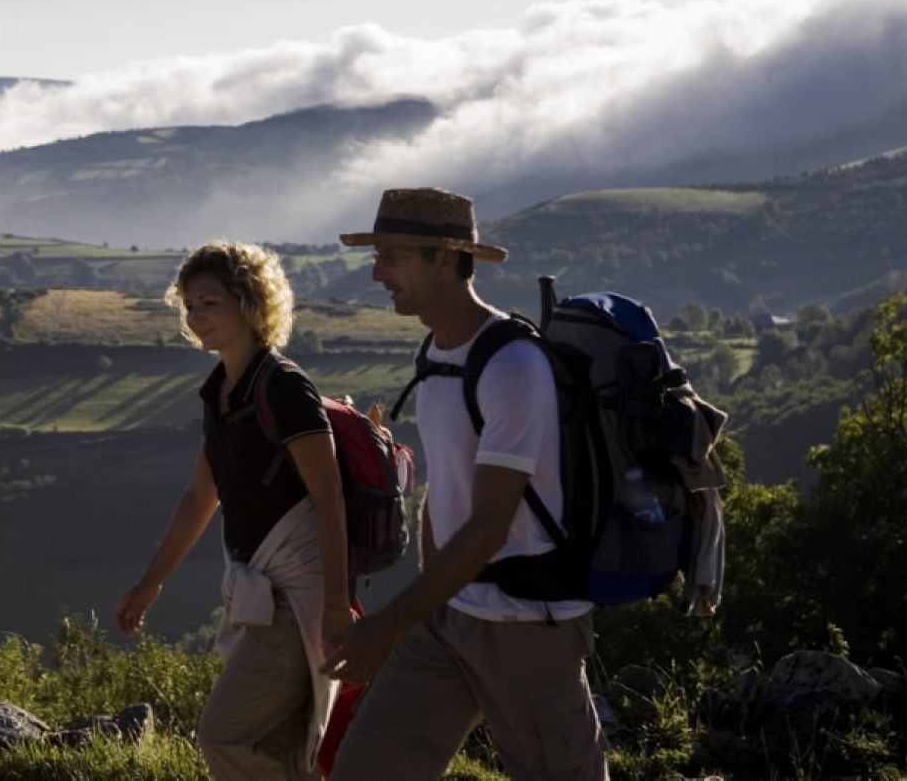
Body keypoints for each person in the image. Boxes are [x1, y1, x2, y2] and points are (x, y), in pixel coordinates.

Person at [321, 189, 609, 781]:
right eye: (377, 256)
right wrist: (431, 607)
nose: (377, 273)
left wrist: (389, 624)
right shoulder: (437, 354)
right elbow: (443, 490)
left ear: (448, 259)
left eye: (393, 256)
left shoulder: (512, 365)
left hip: (526, 627)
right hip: (449, 618)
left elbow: (488, 525)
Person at [115, 240, 353, 780]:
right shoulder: (221, 391)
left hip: (297, 598)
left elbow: (330, 497)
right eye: (189, 305)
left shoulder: (284, 387)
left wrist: (337, 606)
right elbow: (201, 496)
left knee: (223, 736)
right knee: (282, 749)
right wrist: (150, 584)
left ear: (250, 302)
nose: (195, 317)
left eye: (209, 303)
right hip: (259, 593)